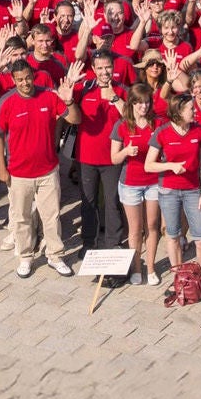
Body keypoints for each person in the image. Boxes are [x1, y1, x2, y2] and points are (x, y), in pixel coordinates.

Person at [0, 56, 79, 279]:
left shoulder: (49, 96)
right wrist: (1, 168)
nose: (25, 83)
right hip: (19, 173)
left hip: (48, 171)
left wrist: (69, 101)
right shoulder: (6, 102)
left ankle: (55, 256)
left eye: (28, 78)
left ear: (34, 76)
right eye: (20, 80)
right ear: (13, 80)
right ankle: (25, 257)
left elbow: (75, 119)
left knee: (51, 216)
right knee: (21, 217)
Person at [146, 88, 201, 282]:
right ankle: (180, 279)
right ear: (179, 111)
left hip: (193, 190)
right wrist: (171, 166)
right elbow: (149, 165)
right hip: (169, 191)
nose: (195, 111)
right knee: (173, 236)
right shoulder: (162, 132)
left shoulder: (198, 130)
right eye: (191, 108)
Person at [67, 50, 126, 250]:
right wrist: (70, 83)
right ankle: (88, 243)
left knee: (112, 201)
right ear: (93, 69)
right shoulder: (84, 88)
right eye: (99, 68)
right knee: (88, 202)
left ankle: (113, 242)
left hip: (113, 158)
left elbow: (132, 118)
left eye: (108, 67)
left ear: (113, 67)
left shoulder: (122, 90)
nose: (104, 72)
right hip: (86, 157)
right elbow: (65, 104)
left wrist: (115, 98)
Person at [111, 82, 163, 285]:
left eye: (147, 102)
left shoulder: (157, 124)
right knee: (135, 229)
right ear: (131, 103)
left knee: (152, 225)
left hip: (153, 182)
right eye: (139, 102)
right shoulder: (122, 125)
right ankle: (136, 269)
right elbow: (114, 158)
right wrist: (126, 151)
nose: (144, 106)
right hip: (130, 183)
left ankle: (150, 268)